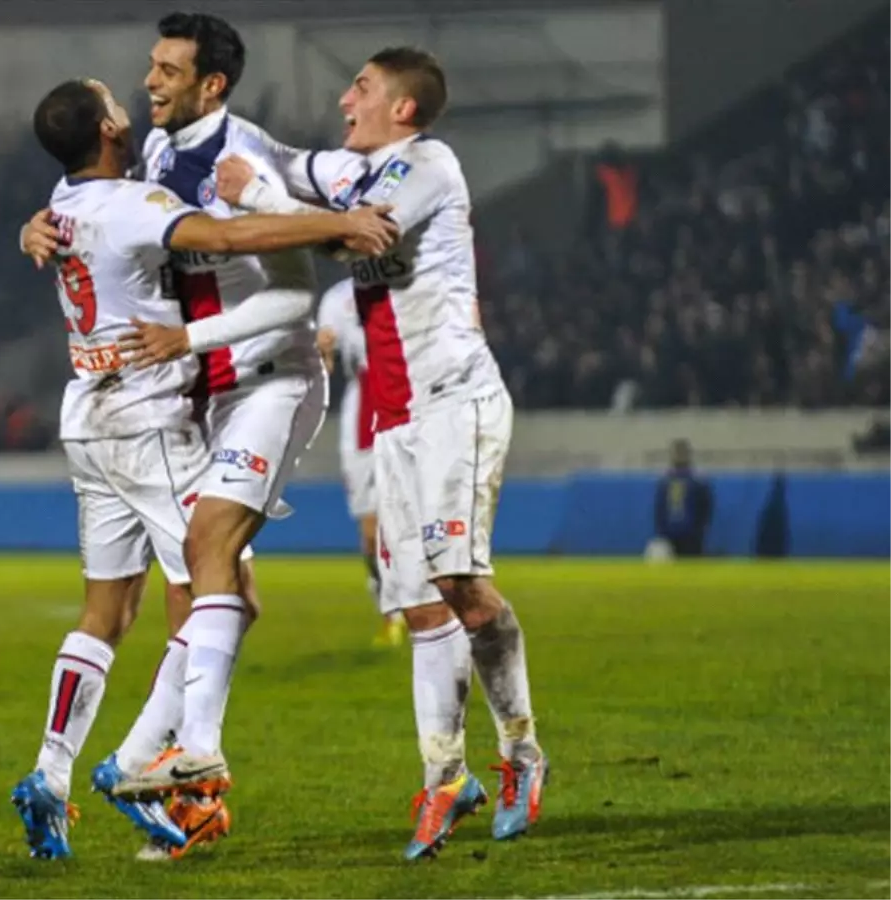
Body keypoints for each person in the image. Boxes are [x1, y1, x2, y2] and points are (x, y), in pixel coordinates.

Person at [10, 76, 397, 862]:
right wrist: (337, 223)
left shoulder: (62, 204)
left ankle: (50, 777)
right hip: (146, 418)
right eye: (116, 94)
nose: (137, 90)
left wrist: (27, 232)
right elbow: (222, 241)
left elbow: (64, 223)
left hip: (85, 416)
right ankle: (171, 770)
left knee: (106, 614)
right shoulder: (132, 206)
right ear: (111, 126)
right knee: (225, 587)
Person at [214, 47, 548, 860]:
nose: (343, 99)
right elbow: (294, 163)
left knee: (463, 586)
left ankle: (523, 755)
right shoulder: (352, 167)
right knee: (424, 608)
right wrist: (220, 132)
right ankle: (444, 782)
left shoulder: (429, 163)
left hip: (452, 402)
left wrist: (257, 195)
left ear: (403, 107)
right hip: (393, 422)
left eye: (360, 88)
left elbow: (362, 240)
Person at [316, 276, 406, 647]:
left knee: (411, 518)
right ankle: (390, 611)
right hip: (363, 406)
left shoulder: (406, 282)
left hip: (408, 395)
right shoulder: (337, 298)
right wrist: (322, 353)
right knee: (371, 533)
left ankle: (426, 610)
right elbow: (325, 351)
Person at [654, 439, 713, 557]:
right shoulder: (669, 482)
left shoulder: (694, 482)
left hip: (687, 536)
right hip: (677, 536)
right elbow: (659, 510)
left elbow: (705, 509)